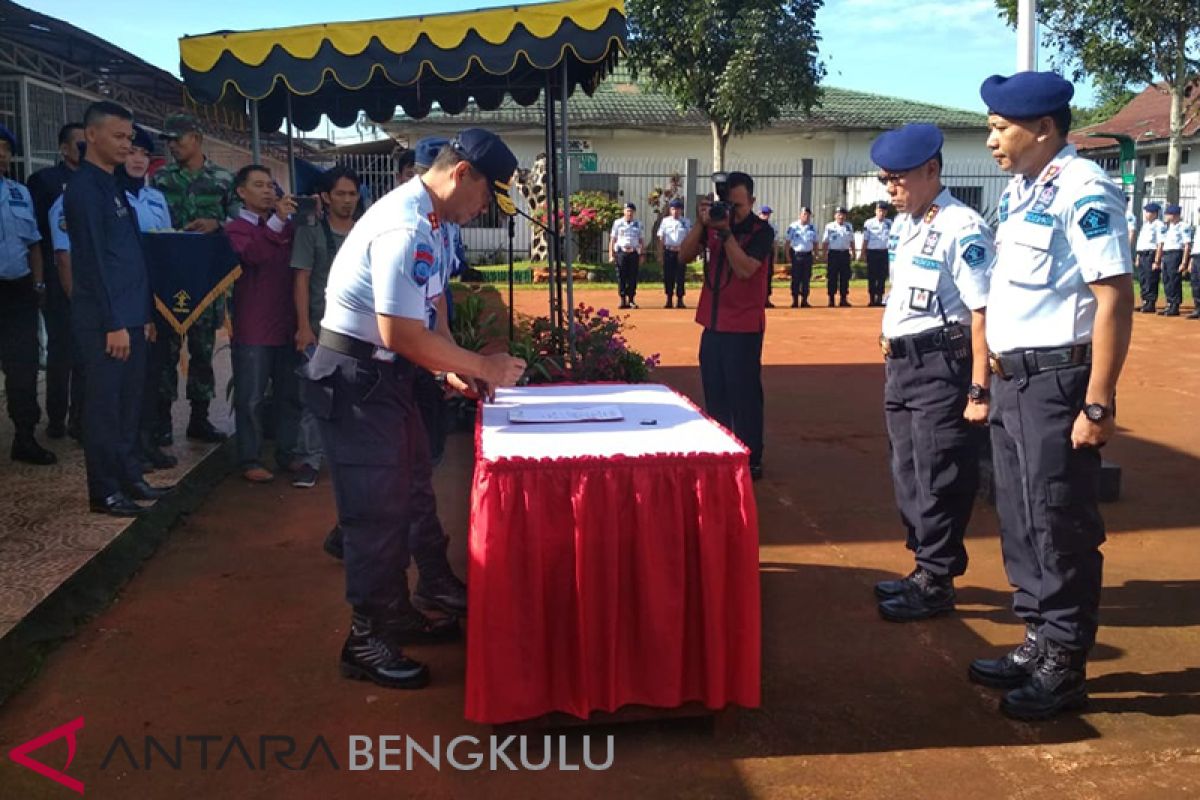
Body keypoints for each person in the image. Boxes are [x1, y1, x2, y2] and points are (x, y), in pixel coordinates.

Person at [302, 128, 526, 689]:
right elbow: (399, 331)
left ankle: (395, 612)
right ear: (462, 174)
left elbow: (432, 309)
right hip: (359, 377)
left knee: (406, 497)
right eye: (484, 198)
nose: (482, 212)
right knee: (375, 513)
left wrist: (450, 361)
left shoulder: (430, 220)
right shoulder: (406, 226)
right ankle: (365, 638)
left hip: (386, 375)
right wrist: (483, 366)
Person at [971, 71, 1134, 720]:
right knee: (1019, 517)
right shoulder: (1019, 193)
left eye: (1000, 127)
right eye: (989, 126)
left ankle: (1064, 664)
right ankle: (1036, 637)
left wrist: (1098, 402)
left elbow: (1115, 295)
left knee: (1059, 522)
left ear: (1042, 128)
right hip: (1013, 381)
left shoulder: (1084, 189)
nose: (991, 139)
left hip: (1057, 382)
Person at [868, 123, 994, 622]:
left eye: (898, 179)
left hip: (943, 365)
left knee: (940, 470)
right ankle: (925, 565)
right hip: (902, 365)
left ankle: (938, 577)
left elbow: (982, 310)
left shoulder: (963, 227)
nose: (891, 189)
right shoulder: (909, 224)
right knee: (906, 469)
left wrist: (979, 387)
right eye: (885, 180)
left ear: (932, 170)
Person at [64, 102, 173, 516]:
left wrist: (143, 315)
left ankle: (130, 476)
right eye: (119, 136)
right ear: (91, 136)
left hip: (130, 317)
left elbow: (131, 257)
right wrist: (113, 323)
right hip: (104, 322)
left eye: (130, 138)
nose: (127, 145)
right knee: (105, 408)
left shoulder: (116, 187)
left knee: (131, 403)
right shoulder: (83, 189)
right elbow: (91, 261)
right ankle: (105, 490)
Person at [678, 171, 773, 480]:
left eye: (738, 206)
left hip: (744, 326)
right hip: (713, 323)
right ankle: (720, 449)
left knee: (744, 395)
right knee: (714, 391)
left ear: (752, 202)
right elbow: (683, 255)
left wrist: (727, 234)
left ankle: (751, 455)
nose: (731, 212)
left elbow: (746, 269)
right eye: (727, 205)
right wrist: (701, 223)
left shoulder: (762, 231)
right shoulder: (713, 224)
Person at [151, 114, 235, 445]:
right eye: (168, 140)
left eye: (178, 139)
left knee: (202, 352)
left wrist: (219, 225)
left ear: (196, 139)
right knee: (166, 353)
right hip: (170, 278)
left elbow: (239, 220)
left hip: (205, 279)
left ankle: (199, 418)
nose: (172, 145)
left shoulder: (223, 180)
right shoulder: (160, 179)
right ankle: (161, 421)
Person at [224, 165, 301, 483]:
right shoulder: (235, 229)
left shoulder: (286, 227)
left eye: (271, 185)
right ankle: (250, 458)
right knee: (251, 397)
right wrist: (278, 220)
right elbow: (253, 254)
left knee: (289, 394)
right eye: (259, 185)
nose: (268, 191)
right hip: (253, 326)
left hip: (287, 323)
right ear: (241, 192)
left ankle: (287, 452)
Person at [292, 166, 360, 488]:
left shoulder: (366, 232)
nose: (347, 201)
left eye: (352, 194)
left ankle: (352, 459)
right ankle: (309, 459)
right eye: (340, 194)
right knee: (316, 396)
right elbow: (301, 280)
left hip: (358, 331)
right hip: (320, 330)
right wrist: (303, 327)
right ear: (326, 197)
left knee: (356, 397)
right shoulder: (311, 232)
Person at [0, 124, 56, 466]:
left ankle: (24, 437)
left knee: (23, 367)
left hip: (18, 290)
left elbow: (34, 244)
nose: (3, 153)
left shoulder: (20, 192)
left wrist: (38, 284)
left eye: (6, 148)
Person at [28, 123, 86, 441]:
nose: (84, 150)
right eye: (78, 144)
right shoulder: (45, 182)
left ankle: (79, 417)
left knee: (84, 354)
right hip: (56, 275)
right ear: (64, 148)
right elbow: (37, 235)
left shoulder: (97, 181)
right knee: (61, 353)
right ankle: (56, 417)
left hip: (88, 280)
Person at [610, 202, 644, 309]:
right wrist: (611, 254)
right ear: (623, 211)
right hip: (621, 253)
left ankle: (631, 300)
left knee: (633, 277)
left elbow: (641, 240)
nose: (629, 213)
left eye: (631, 211)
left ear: (634, 212)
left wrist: (642, 254)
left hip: (633, 253)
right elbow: (613, 239)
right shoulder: (617, 223)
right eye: (627, 210)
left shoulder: (638, 224)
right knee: (621, 276)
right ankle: (623, 300)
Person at [658, 198, 691, 308]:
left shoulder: (686, 222)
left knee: (680, 277)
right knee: (668, 276)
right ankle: (669, 299)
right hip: (669, 251)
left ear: (681, 210)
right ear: (670, 210)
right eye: (673, 209)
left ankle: (680, 299)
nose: (675, 211)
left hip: (681, 252)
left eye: (677, 209)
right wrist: (660, 254)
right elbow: (661, 238)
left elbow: (689, 238)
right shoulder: (665, 221)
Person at [1133, 201, 1165, 313]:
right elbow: (1141, 242)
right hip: (1142, 254)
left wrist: (1157, 260)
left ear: (1155, 213)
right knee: (1143, 278)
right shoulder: (1145, 225)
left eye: (1148, 212)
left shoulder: (1159, 225)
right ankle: (1145, 301)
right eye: (1146, 212)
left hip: (1151, 254)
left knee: (1151, 278)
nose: (1146, 214)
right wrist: (1137, 257)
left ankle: (1151, 302)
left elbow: (1160, 243)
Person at [1158, 204, 1187, 317]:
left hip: (1176, 254)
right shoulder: (1168, 227)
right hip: (1167, 254)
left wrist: (1184, 262)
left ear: (1174, 215)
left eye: (1167, 214)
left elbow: (1186, 245)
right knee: (1166, 279)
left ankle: (1175, 305)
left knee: (1174, 280)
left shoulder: (1182, 226)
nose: (1165, 216)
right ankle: (1169, 303)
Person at [822, 206, 855, 307]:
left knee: (845, 277)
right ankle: (831, 299)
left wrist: (853, 252)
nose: (841, 216)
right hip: (833, 254)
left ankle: (843, 299)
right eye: (839, 214)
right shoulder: (830, 226)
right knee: (832, 277)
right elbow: (825, 242)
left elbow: (852, 240)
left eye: (843, 214)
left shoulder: (849, 226)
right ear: (835, 215)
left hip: (844, 254)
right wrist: (824, 254)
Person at [862, 201, 893, 307]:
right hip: (872, 252)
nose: (881, 213)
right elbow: (865, 240)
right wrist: (863, 253)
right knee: (872, 276)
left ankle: (879, 298)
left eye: (883, 211)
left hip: (884, 253)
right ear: (876, 211)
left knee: (881, 277)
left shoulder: (890, 223)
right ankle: (871, 299)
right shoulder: (868, 223)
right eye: (879, 211)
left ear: (886, 212)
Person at [785, 207, 817, 308]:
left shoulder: (812, 227)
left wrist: (816, 254)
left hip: (808, 256)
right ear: (800, 215)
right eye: (804, 214)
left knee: (806, 279)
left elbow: (815, 242)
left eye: (808, 215)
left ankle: (804, 300)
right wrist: (787, 255)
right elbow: (787, 242)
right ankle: (795, 301)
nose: (806, 216)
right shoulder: (793, 226)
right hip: (796, 256)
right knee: (796, 279)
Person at [759, 205, 776, 307]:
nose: (766, 216)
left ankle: (766, 299)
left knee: (768, 277)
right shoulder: (754, 226)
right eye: (764, 213)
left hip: (768, 254)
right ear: (759, 213)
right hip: (757, 254)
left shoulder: (771, 227)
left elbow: (774, 243)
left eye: (768, 214)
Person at [1187, 217, 1200, 319]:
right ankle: (1198, 308)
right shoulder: (1198, 228)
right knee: (1195, 283)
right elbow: (1195, 246)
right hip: (1196, 256)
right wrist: (1191, 261)